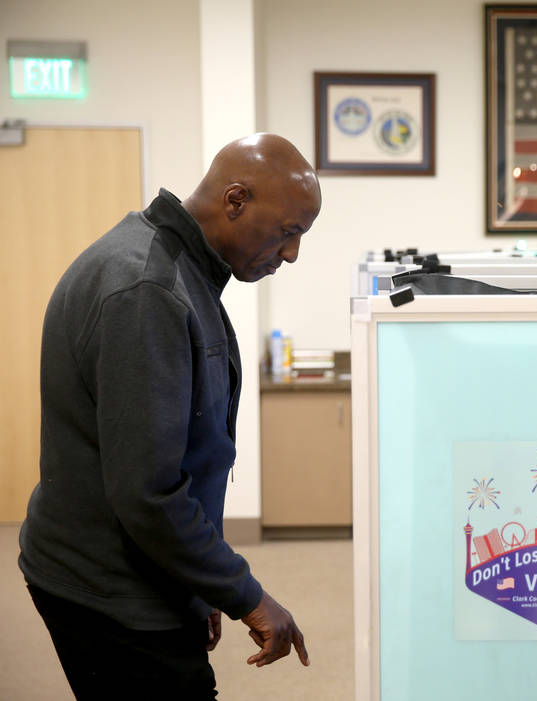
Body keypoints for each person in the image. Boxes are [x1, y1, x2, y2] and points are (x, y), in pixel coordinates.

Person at [18, 133, 322, 700]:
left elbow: (179, 452)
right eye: (288, 231)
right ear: (235, 199)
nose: (291, 254)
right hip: (108, 587)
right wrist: (245, 594)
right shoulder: (147, 290)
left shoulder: (176, 267)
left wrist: (193, 583)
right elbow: (148, 490)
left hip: (136, 569)